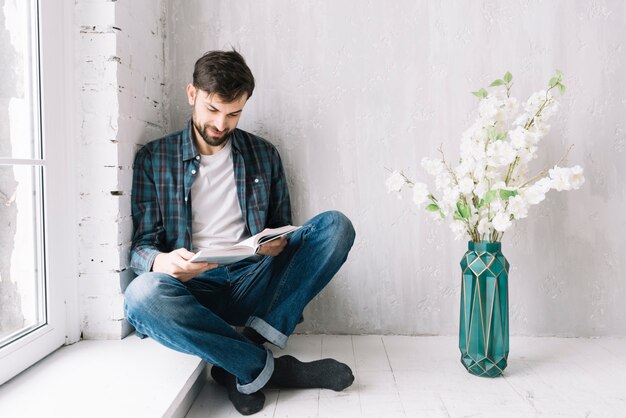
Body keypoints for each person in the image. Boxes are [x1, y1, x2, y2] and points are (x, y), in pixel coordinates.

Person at [124, 49, 356, 415]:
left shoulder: (264, 154)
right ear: (191, 94)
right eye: (213, 110)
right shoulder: (155, 159)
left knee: (336, 227)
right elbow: (140, 249)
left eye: (233, 114)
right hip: (192, 289)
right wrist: (163, 262)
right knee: (141, 297)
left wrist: (274, 244)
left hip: (253, 279)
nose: (221, 124)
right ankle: (265, 367)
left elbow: (285, 230)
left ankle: (245, 352)